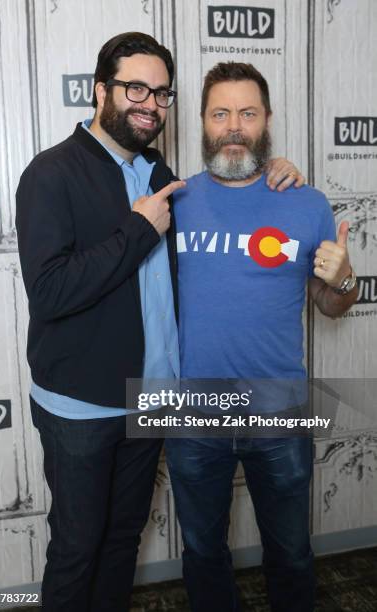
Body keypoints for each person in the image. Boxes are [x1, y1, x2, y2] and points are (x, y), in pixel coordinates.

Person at [16, 31, 304, 611]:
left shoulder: (158, 173)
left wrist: (278, 173)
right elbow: (49, 292)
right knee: (76, 549)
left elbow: (231, 182)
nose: (149, 103)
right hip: (80, 408)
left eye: (161, 93)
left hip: (150, 401)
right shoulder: (52, 173)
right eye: (134, 89)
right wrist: (138, 229)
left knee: (123, 540)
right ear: (101, 91)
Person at [166, 62, 358, 612]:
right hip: (195, 413)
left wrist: (344, 278)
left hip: (278, 408)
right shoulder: (173, 202)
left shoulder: (306, 203)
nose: (234, 126)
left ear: (267, 120)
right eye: (220, 113)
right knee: (202, 552)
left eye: (247, 113)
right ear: (201, 122)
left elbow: (332, 304)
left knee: (292, 553)